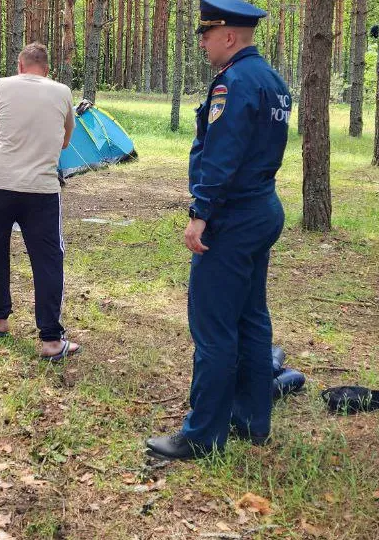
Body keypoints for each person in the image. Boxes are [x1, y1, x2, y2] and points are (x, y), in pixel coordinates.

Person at [145, 0, 290, 461]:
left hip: (231, 216)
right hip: (262, 208)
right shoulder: (273, 81)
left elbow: (222, 155)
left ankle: (203, 435)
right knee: (251, 317)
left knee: (213, 326)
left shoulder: (234, 82)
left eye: (207, 35)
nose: (203, 43)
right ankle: (251, 419)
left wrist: (201, 212)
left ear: (229, 35)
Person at [0, 42, 79, 362]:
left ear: (20, 66)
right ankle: (51, 339)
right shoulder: (63, 92)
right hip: (42, 189)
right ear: (47, 70)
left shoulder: (2, 85)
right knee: (48, 259)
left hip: (2, 184)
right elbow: (65, 141)